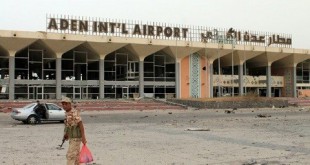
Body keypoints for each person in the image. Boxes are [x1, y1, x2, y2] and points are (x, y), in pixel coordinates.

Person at [61, 96, 87, 165]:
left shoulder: (74, 113)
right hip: (72, 138)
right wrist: (66, 134)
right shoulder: (67, 113)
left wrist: (83, 138)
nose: (64, 106)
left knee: (70, 155)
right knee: (76, 157)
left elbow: (80, 125)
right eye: (63, 104)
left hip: (76, 138)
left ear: (70, 104)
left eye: (66, 104)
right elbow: (68, 126)